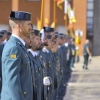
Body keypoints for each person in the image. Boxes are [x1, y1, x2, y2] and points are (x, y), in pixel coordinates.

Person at [1, 11, 33, 100]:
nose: (31, 27)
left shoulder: (19, 46)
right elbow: (13, 82)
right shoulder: (14, 48)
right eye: (29, 24)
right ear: (19, 26)